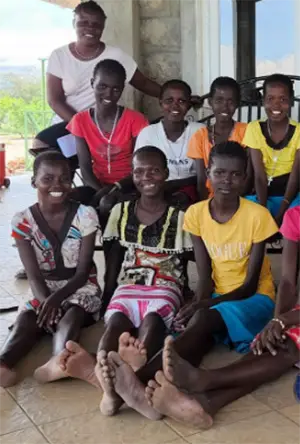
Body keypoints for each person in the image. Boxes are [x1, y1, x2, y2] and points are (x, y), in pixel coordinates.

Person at [41, 142, 279, 423]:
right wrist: (197, 302)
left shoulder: (257, 216)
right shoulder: (197, 214)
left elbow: (250, 285)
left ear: (246, 176)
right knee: (186, 338)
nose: (227, 181)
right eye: (219, 173)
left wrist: (202, 304)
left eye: (236, 174)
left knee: (200, 319)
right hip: (217, 298)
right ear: (209, 174)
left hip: (254, 300)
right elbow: (204, 276)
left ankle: (130, 384)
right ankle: (131, 384)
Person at [144, 202, 300, 429]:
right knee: (277, 343)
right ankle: (205, 405)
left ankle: (206, 381)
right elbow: (287, 282)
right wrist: (276, 323)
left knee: (291, 345)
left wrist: (285, 320)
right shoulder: (296, 216)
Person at [0, 151, 102, 388]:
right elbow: (33, 276)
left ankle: (59, 361)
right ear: (34, 181)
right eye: (48, 178)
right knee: (26, 319)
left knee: (72, 315)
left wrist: (56, 300)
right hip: (42, 287)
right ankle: (5, 362)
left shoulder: (85, 215)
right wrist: (47, 301)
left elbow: (83, 272)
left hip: (81, 286)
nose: (57, 185)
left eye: (64, 178)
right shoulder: (22, 221)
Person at [32, 0, 161, 152]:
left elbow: (143, 83)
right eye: (83, 22)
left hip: (105, 122)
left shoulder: (116, 55)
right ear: (74, 24)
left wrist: (177, 96)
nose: (90, 28)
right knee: (41, 145)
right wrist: (84, 126)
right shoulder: (59, 56)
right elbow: (55, 100)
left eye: (96, 24)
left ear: (103, 27)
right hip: (69, 122)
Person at [66, 59, 148, 227]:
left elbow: (140, 168)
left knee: (108, 204)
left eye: (116, 89)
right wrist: (101, 191)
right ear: (92, 83)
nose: (109, 95)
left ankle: (111, 248)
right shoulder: (80, 121)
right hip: (96, 184)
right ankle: (74, 250)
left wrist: (114, 189)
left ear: (122, 89)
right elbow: (85, 167)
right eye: (102, 87)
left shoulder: (136, 120)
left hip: (130, 184)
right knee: (67, 200)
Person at [135, 80, 204, 208]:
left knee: (180, 200)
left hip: (191, 190)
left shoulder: (200, 131)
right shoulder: (148, 133)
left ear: (189, 105)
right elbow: (140, 171)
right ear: (160, 103)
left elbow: (205, 175)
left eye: (181, 101)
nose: (175, 106)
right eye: (169, 101)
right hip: (157, 188)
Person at [244, 74, 300, 226]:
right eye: (270, 99)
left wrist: (282, 213)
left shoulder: (299, 132)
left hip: (291, 194)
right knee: (250, 215)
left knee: (294, 218)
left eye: (282, 99)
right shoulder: (254, 129)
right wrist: (264, 213)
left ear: (291, 101)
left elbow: (295, 178)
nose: (276, 105)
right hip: (262, 194)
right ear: (263, 101)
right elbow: (259, 176)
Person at [187, 77, 248, 200]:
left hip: (240, 197)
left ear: (237, 103)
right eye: (219, 100)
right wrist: (206, 207)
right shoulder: (200, 136)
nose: (225, 107)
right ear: (210, 102)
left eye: (230, 102)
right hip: (210, 198)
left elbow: (248, 175)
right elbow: (201, 181)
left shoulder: (246, 131)